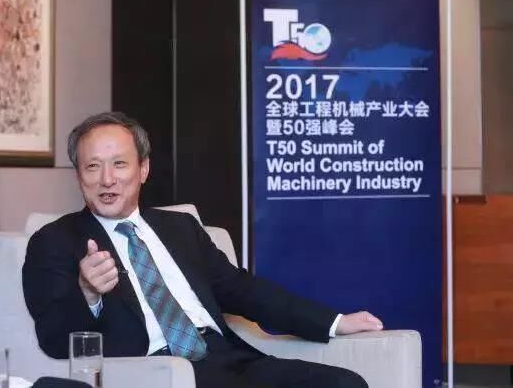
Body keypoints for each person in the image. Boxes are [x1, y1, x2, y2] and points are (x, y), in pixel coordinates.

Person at [23, 111, 384, 388]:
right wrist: (87, 295)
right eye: (92, 167)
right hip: (155, 374)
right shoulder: (54, 241)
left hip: (227, 360)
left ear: (143, 169)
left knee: (344, 384)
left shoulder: (180, 228)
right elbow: (54, 341)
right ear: (78, 176)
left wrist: (333, 322)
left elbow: (243, 290)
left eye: (119, 164)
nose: (107, 179)